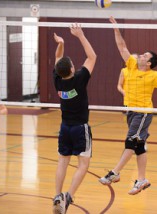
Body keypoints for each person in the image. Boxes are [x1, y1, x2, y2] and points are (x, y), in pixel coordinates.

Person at [99, 16, 157, 195]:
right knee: (139, 147)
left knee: (130, 142)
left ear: (148, 63)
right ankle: (142, 179)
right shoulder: (132, 66)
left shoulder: (154, 75)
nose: (140, 55)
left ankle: (114, 173)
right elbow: (122, 47)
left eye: (145, 56)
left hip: (143, 113)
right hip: (131, 111)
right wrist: (116, 28)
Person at [52, 23, 96, 214]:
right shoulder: (80, 78)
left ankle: (56, 195)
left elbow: (57, 58)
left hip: (65, 128)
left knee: (63, 161)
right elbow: (92, 56)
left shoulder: (58, 80)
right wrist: (80, 35)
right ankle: (68, 196)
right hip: (80, 128)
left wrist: (61, 43)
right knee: (83, 164)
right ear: (72, 68)